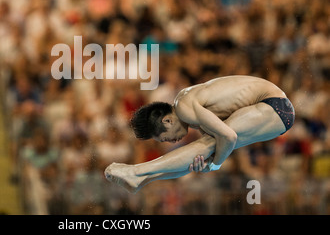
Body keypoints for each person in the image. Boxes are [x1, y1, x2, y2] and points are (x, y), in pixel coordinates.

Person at [105, 75, 295, 193]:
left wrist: (215, 164)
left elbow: (229, 137)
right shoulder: (193, 112)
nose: (172, 142)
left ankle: (136, 171)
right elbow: (209, 151)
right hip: (275, 110)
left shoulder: (184, 106)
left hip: (274, 106)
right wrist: (208, 163)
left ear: (167, 121)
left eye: (166, 138)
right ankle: (145, 179)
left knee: (208, 144)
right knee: (204, 150)